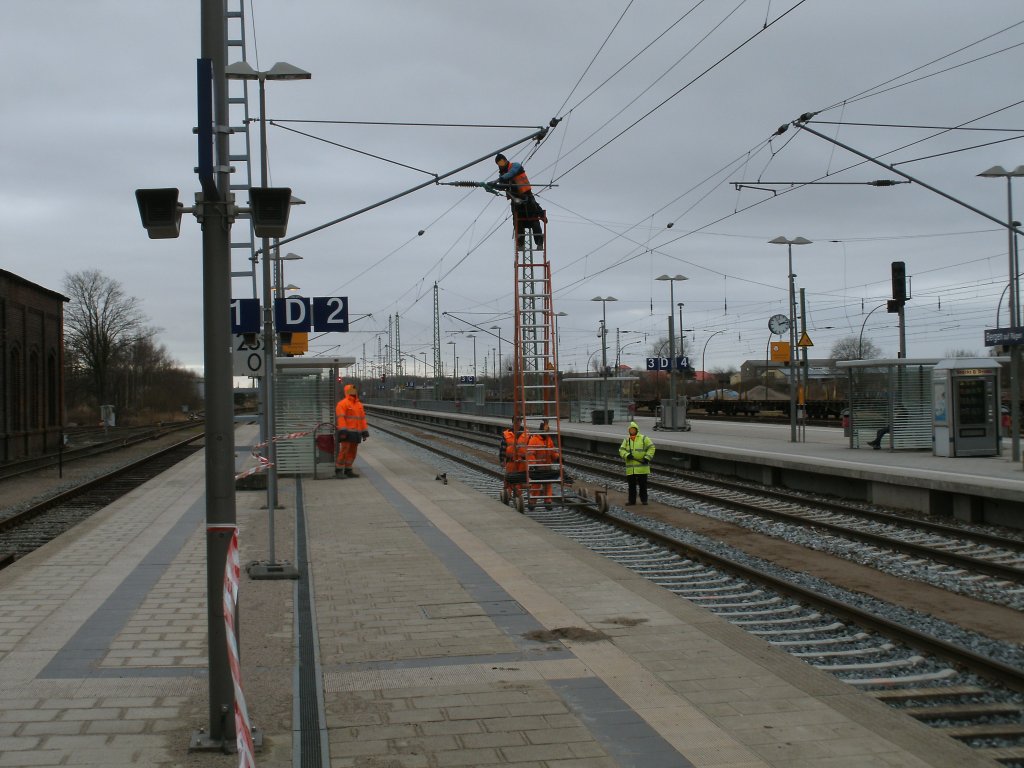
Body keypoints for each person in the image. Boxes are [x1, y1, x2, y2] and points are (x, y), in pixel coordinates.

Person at [492, 153, 546, 250]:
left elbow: (511, 173)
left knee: (534, 220)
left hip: (526, 197)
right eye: (499, 163)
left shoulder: (515, 166)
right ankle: (520, 244)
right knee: (518, 223)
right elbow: (502, 186)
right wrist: (493, 185)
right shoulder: (502, 174)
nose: (501, 164)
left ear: (505, 160)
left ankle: (539, 243)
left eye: (501, 162)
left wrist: (500, 179)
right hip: (515, 200)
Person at [335, 384, 369, 477]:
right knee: (344, 451)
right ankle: (338, 470)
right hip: (347, 432)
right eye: (351, 390)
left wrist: (364, 431)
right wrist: (343, 431)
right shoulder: (342, 404)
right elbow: (341, 418)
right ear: (347, 392)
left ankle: (348, 469)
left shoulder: (359, 405)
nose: (353, 392)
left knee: (353, 451)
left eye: (354, 390)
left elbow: (362, 419)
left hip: (356, 432)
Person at [618, 421, 655, 506]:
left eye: (633, 429)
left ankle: (644, 500)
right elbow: (621, 450)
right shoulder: (627, 440)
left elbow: (651, 448)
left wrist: (647, 457)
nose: (632, 431)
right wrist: (627, 455)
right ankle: (632, 501)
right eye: (630, 429)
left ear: (636, 430)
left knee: (643, 485)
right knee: (631, 486)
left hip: (642, 467)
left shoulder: (644, 438)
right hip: (631, 468)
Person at [528, 419, 559, 506]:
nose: (547, 432)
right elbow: (530, 453)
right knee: (536, 485)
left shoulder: (548, 440)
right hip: (538, 468)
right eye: (546, 431)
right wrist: (534, 465)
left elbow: (552, 452)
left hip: (547, 467)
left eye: (548, 431)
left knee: (548, 484)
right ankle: (532, 502)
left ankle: (548, 501)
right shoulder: (534, 440)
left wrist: (557, 457)